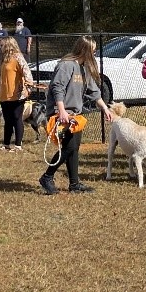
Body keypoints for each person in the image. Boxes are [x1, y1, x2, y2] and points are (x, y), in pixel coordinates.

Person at [41, 36, 115, 195]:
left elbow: (94, 92)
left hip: (76, 115)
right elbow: (57, 88)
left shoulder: (84, 69)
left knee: (74, 149)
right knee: (69, 147)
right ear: (85, 50)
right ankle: (47, 176)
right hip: (61, 114)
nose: (94, 54)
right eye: (93, 51)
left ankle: (74, 184)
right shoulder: (66, 65)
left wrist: (105, 109)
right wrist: (61, 111)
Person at [0, 36, 32, 151]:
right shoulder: (3, 59)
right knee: (7, 120)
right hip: (5, 94)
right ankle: (6, 144)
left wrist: (28, 85)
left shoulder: (18, 57)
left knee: (17, 118)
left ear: (8, 45)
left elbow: (27, 72)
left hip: (17, 94)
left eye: (2, 45)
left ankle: (18, 145)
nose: (0, 47)